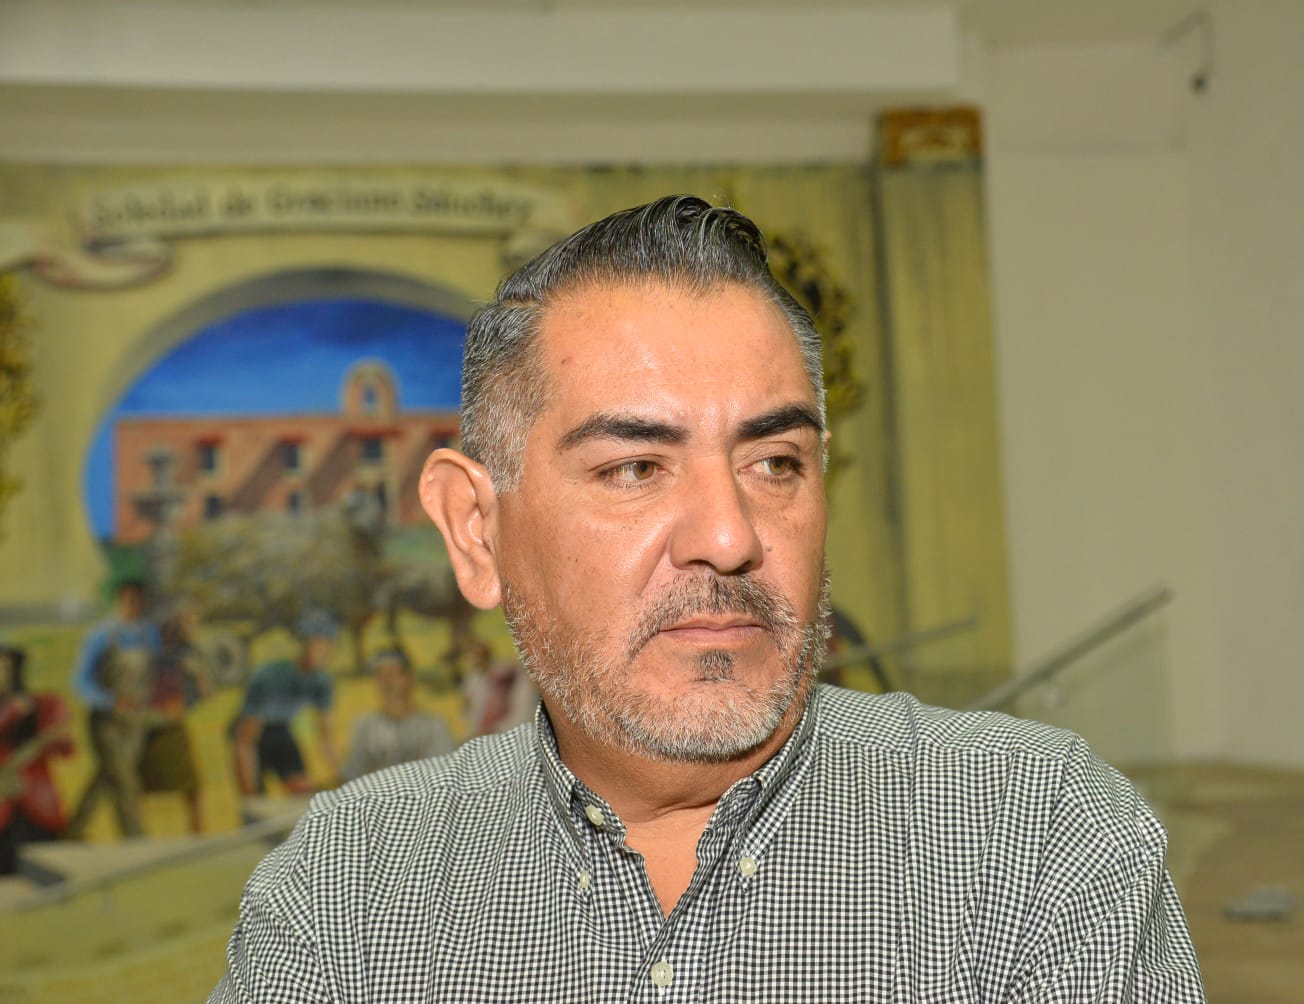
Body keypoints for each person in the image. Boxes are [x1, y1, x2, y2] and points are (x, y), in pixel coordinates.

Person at [211, 196, 1205, 1001]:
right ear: (477, 530)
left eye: (775, 462)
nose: (729, 537)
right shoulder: (348, 893)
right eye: (635, 468)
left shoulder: (1033, 838)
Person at [67, 578, 157, 839]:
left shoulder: (148, 635)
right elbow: (80, 681)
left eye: (137, 601)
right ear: (118, 602)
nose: (132, 606)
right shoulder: (101, 635)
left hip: (135, 722)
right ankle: (136, 838)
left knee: (108, 775)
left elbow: (154, 675)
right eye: (128, 601)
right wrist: (109, 701)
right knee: (125, 779)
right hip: (106, 722)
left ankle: (73, 831)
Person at [231, 612, 338, 796]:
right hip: (251, 732)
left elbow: (325, 734)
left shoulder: (322, 681)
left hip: (281, 730)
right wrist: (250, 792)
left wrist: (343, 774)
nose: (324, 652)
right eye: (318, 644)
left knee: (303, 792)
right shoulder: (270, 676)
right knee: (255, 800)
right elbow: (245, 738)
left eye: (328, 646)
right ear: (304, 645)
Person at [139, 603, 214, 832]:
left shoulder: (189, 652)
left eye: (194, 622)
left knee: (191, 784)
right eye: (188, 621)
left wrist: (198, 674)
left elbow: (206, 694)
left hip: (171, 721)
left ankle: (198, 832)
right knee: (133, 785)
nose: (192, 627)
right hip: (143, 723)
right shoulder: (149, 645)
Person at [0, 645, 74, 873]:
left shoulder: (40, 703)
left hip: (34, 795)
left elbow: (66, 749)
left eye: (6, 667)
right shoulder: (14, 708)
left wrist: (55, 729)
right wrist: (11, 712)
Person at [340, 648, 454, 781]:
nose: (387, 682)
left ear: (408, 678)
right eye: (380, 676)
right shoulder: (365, 726)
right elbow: (352, 776)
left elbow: (443, 777)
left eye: (393, 674)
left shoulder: (433, 726)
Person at [454, 637, 535, 737]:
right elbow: (468, 709)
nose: (471, 658)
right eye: (468, 654)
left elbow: (522, 709)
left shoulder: (509, 672)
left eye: (475, 653)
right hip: (485, 733)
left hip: (512, 730)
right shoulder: (473, 680)